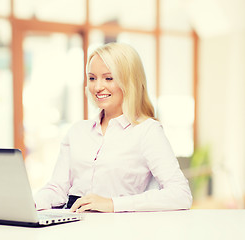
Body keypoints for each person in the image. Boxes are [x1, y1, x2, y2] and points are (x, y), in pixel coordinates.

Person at [34, 42, 192, 213]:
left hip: (119, 226)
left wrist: (112, 204)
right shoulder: (77, 131)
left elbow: (180, 194)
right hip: (72, 220)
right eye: (92, 78)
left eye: (108, 78)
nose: (97, 87)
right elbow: (57, 188)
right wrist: (32, 203)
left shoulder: (147, 131)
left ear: (129, 81)